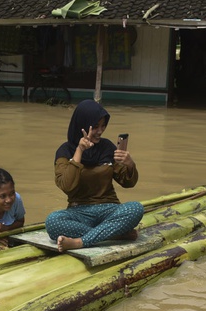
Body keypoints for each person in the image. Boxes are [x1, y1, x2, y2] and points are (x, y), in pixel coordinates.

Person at [46, 99, 143, 252]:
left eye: (103, 126)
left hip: (109, 210)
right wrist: (79, 150)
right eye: (95, 127)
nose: (100, 131)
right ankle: (113, 234)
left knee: (135, 208)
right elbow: (67, 185)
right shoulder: (65, 151)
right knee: (52, 222)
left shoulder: (107, 147)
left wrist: (130, 164)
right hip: (78, 211)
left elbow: (127, 182)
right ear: (82, 126)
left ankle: (80, 242)